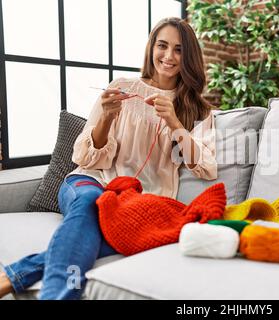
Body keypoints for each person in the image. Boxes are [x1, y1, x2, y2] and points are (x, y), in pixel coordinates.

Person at [0, 17, 217, 300]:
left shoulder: (198, 110)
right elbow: (86, 157)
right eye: (162, 46)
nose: (169, 56)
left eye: (179, 49)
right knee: (94, 202)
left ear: (189, 57)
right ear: (151, 48)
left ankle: (14, 274)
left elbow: (206, 167)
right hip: (89, 182)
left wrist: (175, 124)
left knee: (110, 231)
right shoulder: (123, 87)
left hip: (138, 200)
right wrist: (105, 117)